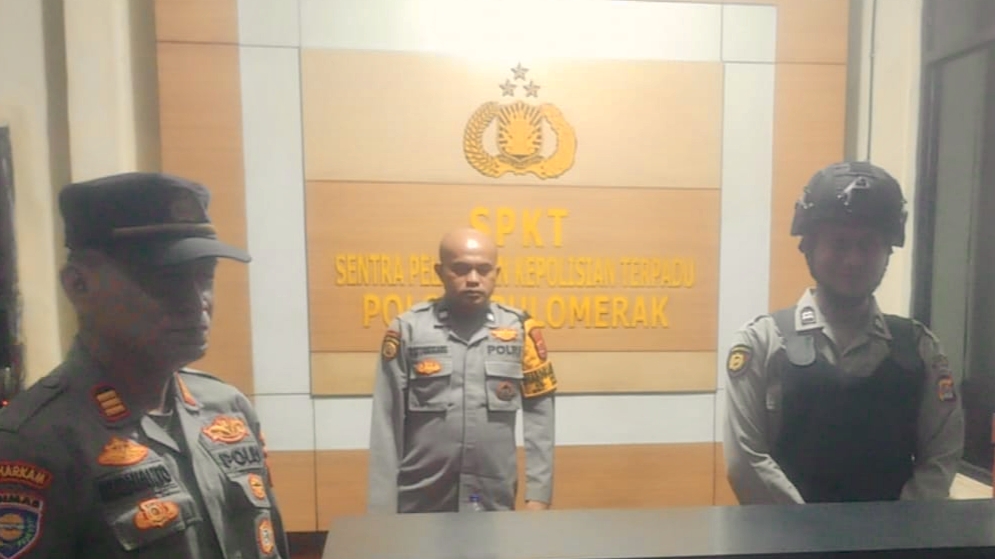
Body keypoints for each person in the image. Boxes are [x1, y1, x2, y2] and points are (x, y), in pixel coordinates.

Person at [0, 172, 289, 558]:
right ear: (79, 286)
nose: (196, 302)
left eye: (205, 277)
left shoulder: (227, 410)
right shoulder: (34, 441)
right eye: (165, 280)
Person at [724, 161, 964, 504]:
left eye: (868, 244)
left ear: (888, 251)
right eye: (839, 243)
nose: (853, 260)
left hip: (899, 536)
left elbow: (941, 457)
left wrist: (899, 528)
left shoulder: (921, 349)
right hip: (788, 535)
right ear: (808, 247)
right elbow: (746, 464)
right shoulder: (761, 343)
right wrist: (810, 530)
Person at [367, 228, 556, 513]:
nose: (473, 279)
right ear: (440, 272)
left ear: (496, 273)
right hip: (422, 497)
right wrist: (382, 509)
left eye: (484, 270)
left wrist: (538, 495)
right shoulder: (408, 330)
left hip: (492, 497)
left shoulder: (520, 330)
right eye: (461, 269)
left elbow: (541, 418)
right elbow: (386, 421)